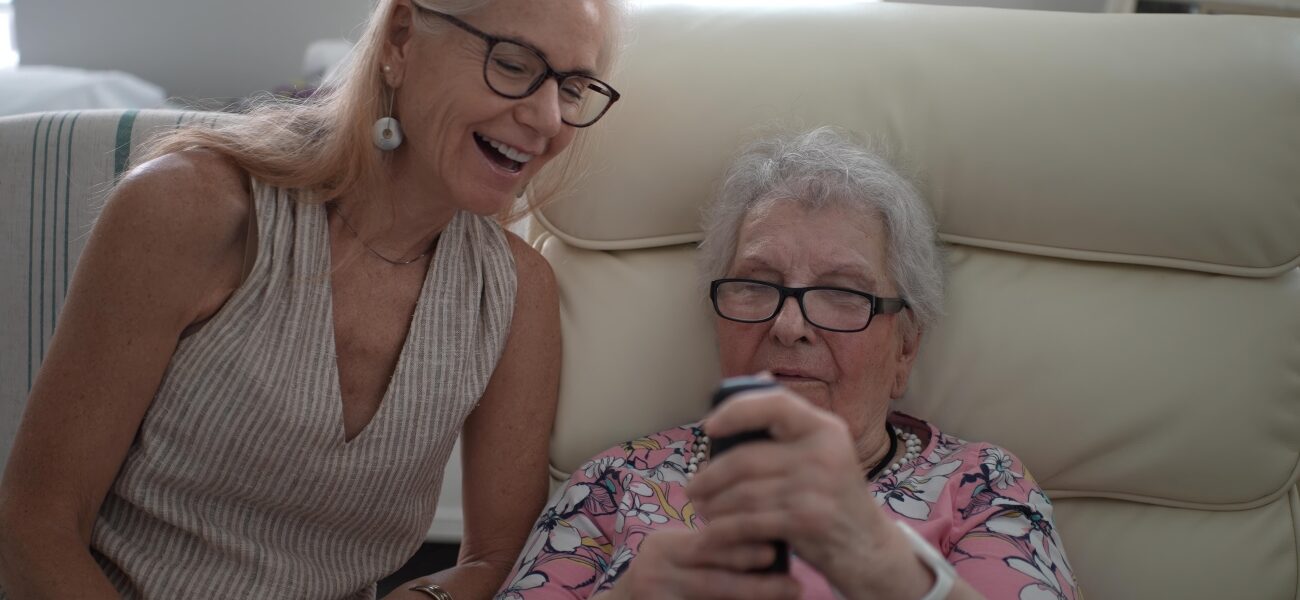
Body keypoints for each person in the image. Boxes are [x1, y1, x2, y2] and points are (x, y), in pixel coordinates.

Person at [0, 1, 622, 598]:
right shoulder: (190, 208)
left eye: (571, 89)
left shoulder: (517, 293)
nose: (546, 119)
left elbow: (501, 557)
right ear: (401, 39)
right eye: (513, 65)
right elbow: (34, 523)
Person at [496, 128, 1080, 600]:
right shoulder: (615, 485)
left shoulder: (982, 487)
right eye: (755, 284)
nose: (789, 325)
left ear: (905, 347)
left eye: (843, 292)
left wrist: (886, 569)